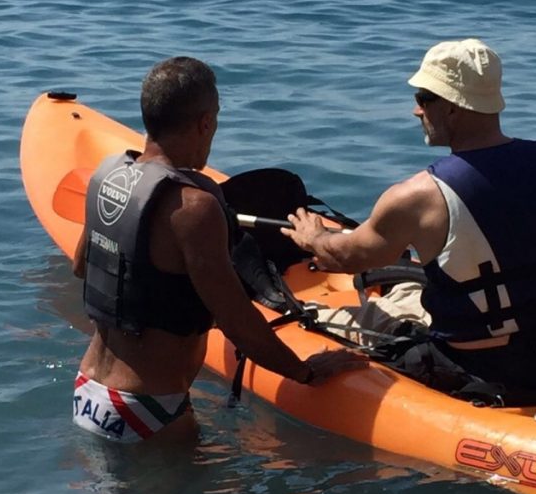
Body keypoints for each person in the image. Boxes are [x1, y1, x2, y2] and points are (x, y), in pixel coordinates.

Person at [283, 39, 536, 402]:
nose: (416, 110)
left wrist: (313, 237)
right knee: (409, 295)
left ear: (451, 108)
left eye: (423, 99)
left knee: (324, 315)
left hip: (477, 369)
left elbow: (347, 259)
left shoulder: (416, 197)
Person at [72, 56, 365, 443]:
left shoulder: (108, 176)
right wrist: (304, 372)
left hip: (88, 391)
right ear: (205, 122)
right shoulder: (195, 207)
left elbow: (82, 266)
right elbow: (237, 321)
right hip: (150, 409)